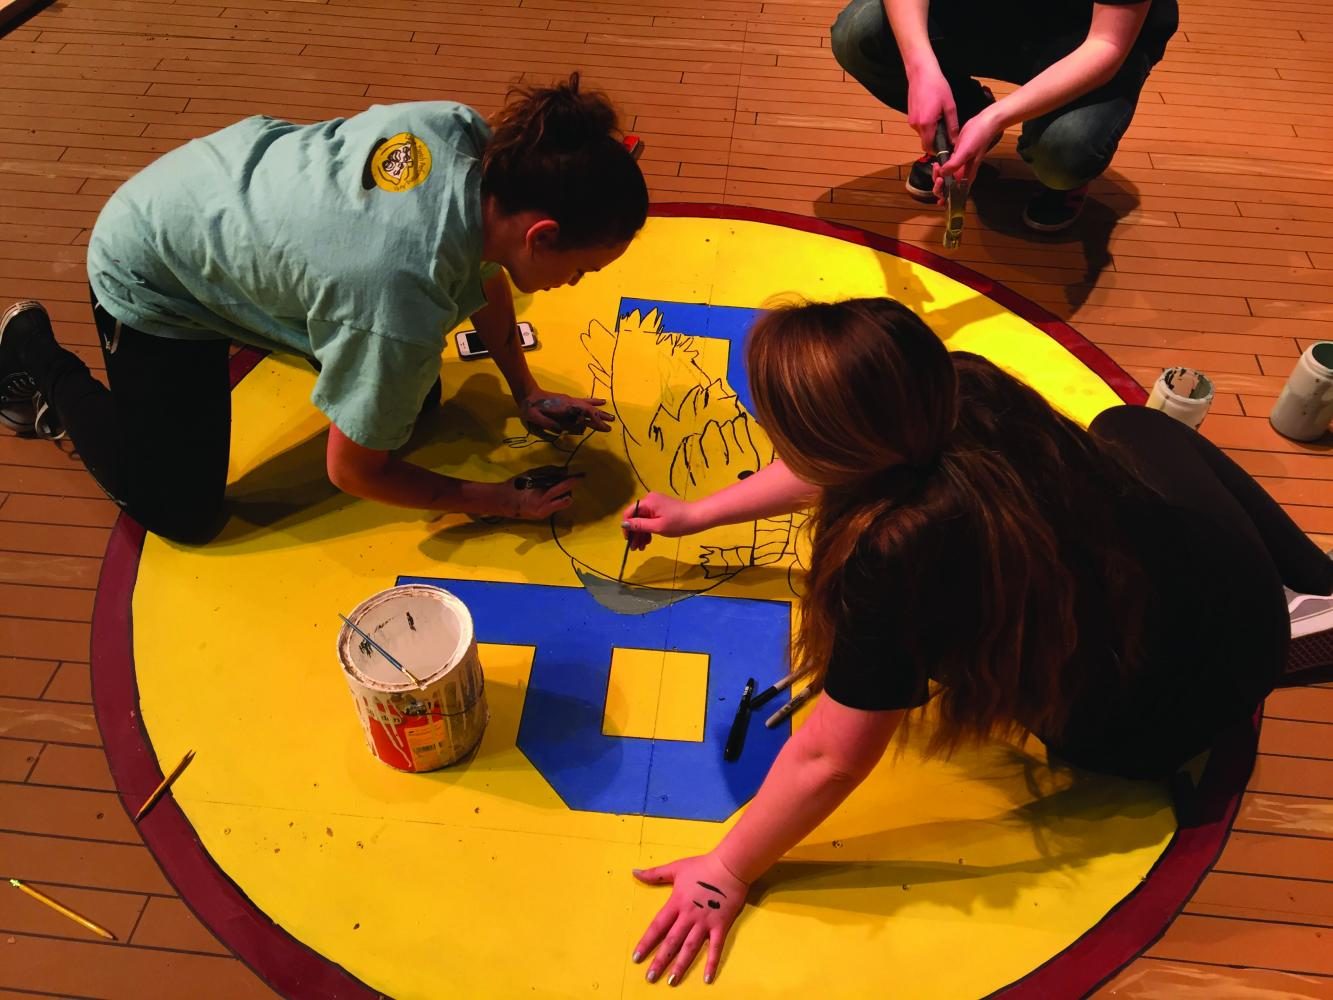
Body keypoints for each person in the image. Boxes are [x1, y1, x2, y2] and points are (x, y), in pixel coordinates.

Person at [617, 298, 1333, 986]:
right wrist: (700, 513)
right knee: (1131, 427)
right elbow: (847, 452)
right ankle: (1315, 582)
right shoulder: (963, 386)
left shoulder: (893, 553)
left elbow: (829, 757)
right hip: (1236, 603)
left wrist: (726, 870)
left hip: (1137, 726)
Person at [0, 74, 647, 543]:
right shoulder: (395, 298)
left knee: (410, 403)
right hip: (152, 266)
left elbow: (486, 271)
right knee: (181, 514)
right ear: (543, 235)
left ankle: (281, 297)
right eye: (583, 268)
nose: (576, 282)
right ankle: (37, 357)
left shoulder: (477, 145)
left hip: (228, 187)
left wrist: (524, 390)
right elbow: (352, 470)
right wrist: (496, 501)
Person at [829, 0, 1179, 232]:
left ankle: (1060, 172)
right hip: (989, 14)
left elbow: (1107, 44)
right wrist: (920, 65)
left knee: (1066, 151)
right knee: (859, 35)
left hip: (1084, 38)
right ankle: (962, 121)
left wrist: (996, 118)